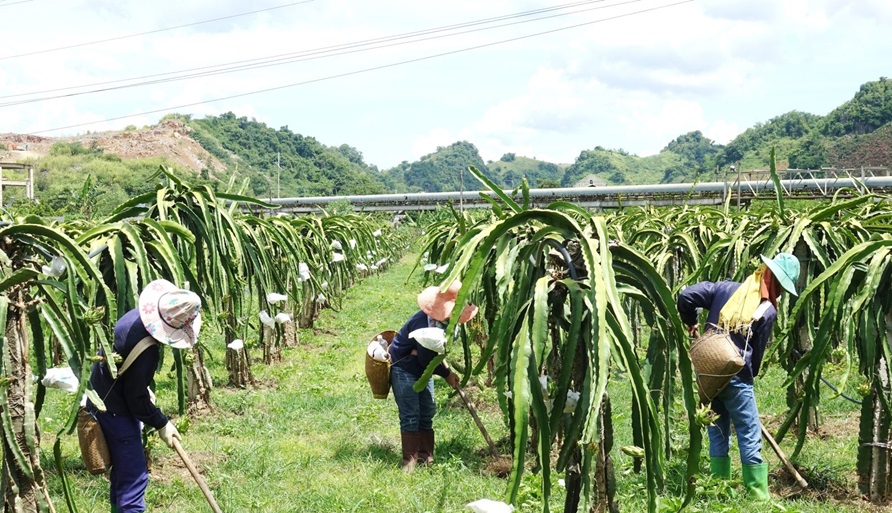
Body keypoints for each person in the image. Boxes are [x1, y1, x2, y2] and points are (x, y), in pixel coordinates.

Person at [677, 253, 800, 500]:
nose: (781, 294)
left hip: (708, 374)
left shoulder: (724, 289)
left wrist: (690, 322)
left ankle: (718, 488)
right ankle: (757, 495)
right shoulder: (766, 310)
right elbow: (757, 353)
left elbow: (686, 295)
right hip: (736, 375)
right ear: (776, 281)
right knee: (748, 432)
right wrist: (746, 379)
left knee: (717, 431)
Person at [88, 279, 202, 513]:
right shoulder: (147, 350)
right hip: (116, 409)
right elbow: (135, 398)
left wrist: (138, 385)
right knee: (134, 477)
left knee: (122, 473)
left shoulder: (132, 317)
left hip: (101, 395)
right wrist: (161, 423)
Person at [388, 280, 478, 472]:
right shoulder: (425, 324)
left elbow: (431, 356)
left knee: (427, 411)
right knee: (411, 414)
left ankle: (425, 456)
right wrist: (446, 374)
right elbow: (425, 359)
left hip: (423, 368)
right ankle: (409, 461)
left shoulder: (445, 324)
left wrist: (442, 368)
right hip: (404, 368)